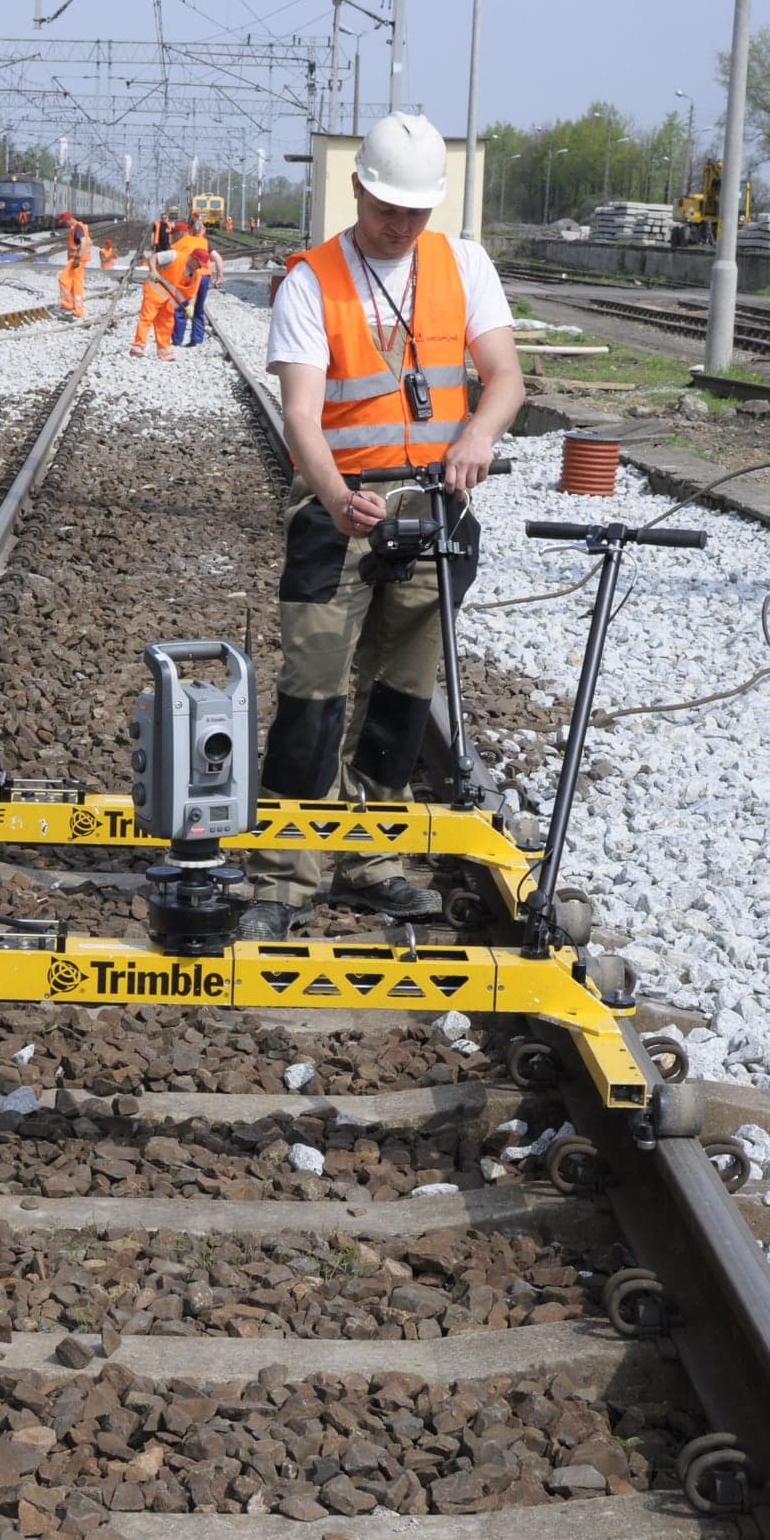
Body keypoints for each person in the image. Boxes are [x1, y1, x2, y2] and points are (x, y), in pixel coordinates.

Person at [237, 111, 525, 942]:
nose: (400, 225)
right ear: (357, 189)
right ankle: (283, 876)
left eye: (414, 211)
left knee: (400, 699)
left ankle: (372, 861)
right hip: (340, 513)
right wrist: (334, 497)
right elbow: (300, 414)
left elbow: (504, 376)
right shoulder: (311, 281)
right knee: (314, 695)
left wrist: (477, 435)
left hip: (434, 509)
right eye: (387, 208)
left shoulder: (463, 264)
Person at [129, 221, 199, 360]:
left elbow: (192, 291)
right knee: (147, 318)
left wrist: (190, 306)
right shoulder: (174, 255)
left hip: (168, 298)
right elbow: (153, 257)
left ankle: (164, 351)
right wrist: (153, 270)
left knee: (166, 323)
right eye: (198, 264)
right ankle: (138, 346)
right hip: (154, 291)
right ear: (193, 258)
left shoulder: (194, 272)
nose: (199, 267)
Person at [170, 213, 224, 348]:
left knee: (180, 307)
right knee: (198, 309)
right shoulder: (205, 242)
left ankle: (177, 340)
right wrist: (219, 278)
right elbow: (218, 259)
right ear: (202, 230)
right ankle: (197, 339)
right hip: (204, 277)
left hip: (188, 276)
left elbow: (171, 257)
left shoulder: (181, 242)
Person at [57, 212, 91, 319]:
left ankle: (68, 305)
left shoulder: (77, 228)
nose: (65, 225)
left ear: (69, 219)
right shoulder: (79, 227)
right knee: (77, 284)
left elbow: (83, 242)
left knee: (63, 279)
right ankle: (78, 310)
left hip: (77, 260)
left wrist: (77, 258)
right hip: (81, 259)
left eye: (65, 222)